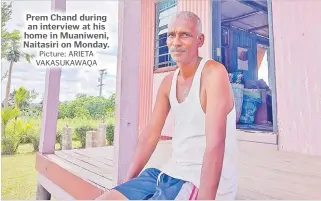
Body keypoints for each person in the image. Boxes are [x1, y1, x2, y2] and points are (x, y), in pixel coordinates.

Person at [96, 11, 238, 200]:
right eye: (171, 35)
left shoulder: (213, 74)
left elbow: (215, 144)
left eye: (184, 35)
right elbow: (150, 135)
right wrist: (126, 184)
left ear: (200, 40)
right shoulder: (168, 82)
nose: (176, 42)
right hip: (167, 174)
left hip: (197, 182)